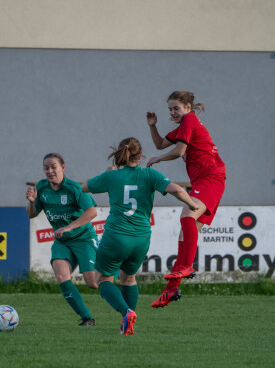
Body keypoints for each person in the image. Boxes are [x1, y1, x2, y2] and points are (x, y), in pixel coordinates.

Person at [82, 137, 198, 335]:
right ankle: (129, 320)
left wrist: (107, 174)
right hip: (141, 238)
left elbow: (83, 187)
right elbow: (177, 189)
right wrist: (194, 205)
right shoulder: (150, 174)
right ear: (141, 156)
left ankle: (126, 312)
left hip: (116, 236)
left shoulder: (113, 176)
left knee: (102, 279)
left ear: (121, 153)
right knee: (129, 279)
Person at [146, 91, 226, 308]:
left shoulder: (189, 120)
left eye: (176, 108)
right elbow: (161, 144)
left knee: (187, 215)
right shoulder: (183, 125)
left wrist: (158, 160)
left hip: (210, 177)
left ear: (188, 108)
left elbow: (178, 151)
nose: (173, 112)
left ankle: (188, 266)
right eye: (170, 109)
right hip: (205, 179)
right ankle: (170, 291)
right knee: (185, 232)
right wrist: (153, 125)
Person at [26, 153, 99, 326]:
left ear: (63, 167)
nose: (49, 171)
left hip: (83, 238)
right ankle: (87, 318)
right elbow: (32, 215)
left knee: (93, 283)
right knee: (61, 275)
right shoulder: (42, 187)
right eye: (46, 168)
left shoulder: (74, 188)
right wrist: (31, 202)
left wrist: (68, 227)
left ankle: (115, 266)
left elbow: (92, 212)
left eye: (53, 166)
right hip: (62, 242)